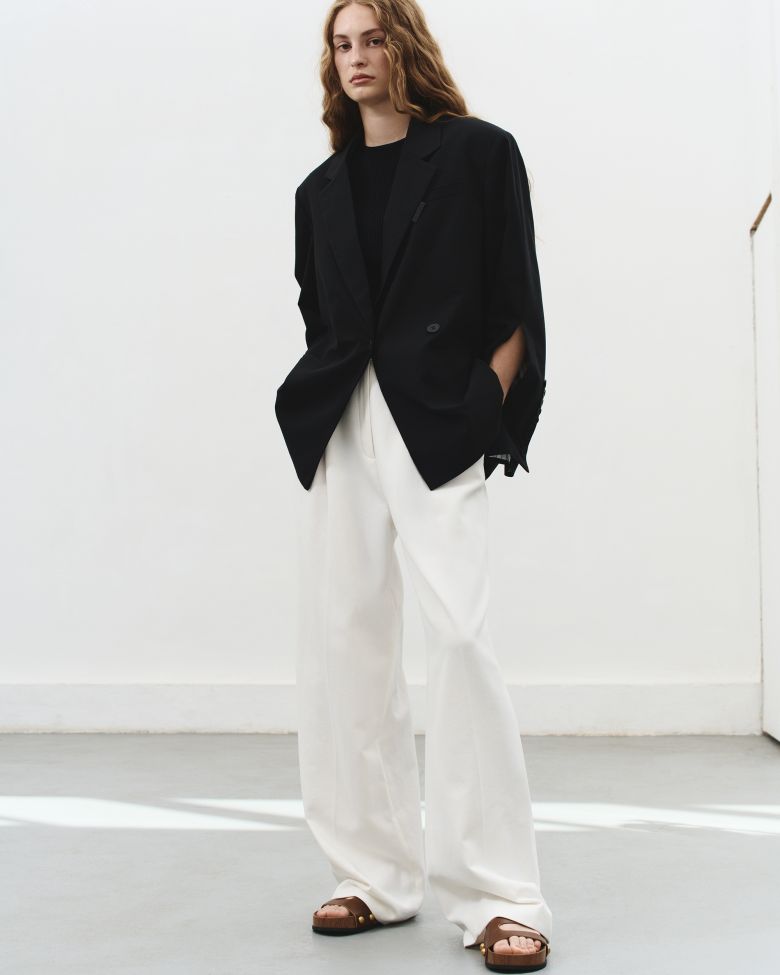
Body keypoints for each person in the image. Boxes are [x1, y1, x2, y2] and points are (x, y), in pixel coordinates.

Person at [274, 1, 551, 970]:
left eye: (373, 37)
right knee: (346, 642)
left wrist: (483, 407)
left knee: (462, 638)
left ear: (406, 44)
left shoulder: (478, 152)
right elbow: (322, 313)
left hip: (437, 418)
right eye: (341, 44)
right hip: (343, 420)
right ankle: (373, 875)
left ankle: (499, 895)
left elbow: (514, 299)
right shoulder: (319, 189)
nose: (356, 57)